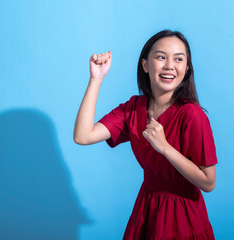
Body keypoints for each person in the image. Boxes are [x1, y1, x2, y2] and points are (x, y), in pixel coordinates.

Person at [74, 30, 218, 239]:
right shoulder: (133, 108)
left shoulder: (193, 115)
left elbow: (208, 182)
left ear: (186, 69)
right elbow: (83, 136)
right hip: (147, 209)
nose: (169, 65)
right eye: (161, 57)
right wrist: (96, 79)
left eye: (178, 59)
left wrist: (165, 148)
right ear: (145, 65)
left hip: (183, 217)